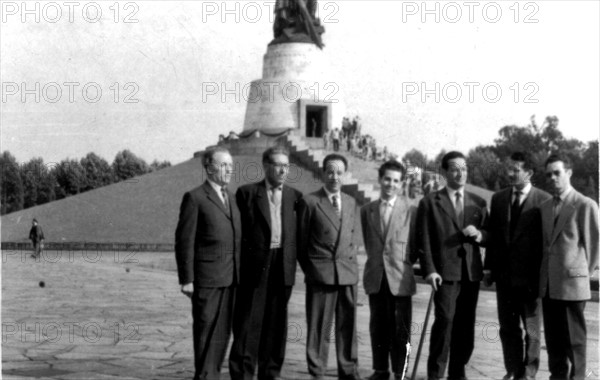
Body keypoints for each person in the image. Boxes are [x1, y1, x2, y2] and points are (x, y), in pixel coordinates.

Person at [229, 147, 303, 380]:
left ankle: (270, 372)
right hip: (255, 266)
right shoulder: (247, 193)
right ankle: (243, 372)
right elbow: (237, 236)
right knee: (249, 321)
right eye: (278, 165)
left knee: (276, 324)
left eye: (286, 166)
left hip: (283, 265)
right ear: (266, 165)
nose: (283, 170)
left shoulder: (294, 196)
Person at [416, 151, 487, 380]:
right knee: (445, 321)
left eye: (464, 168)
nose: (461, 173)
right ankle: (435, 373)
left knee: (466, 326)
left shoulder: (478, 203)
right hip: (444, 274)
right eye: (455, 169)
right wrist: (429, 270)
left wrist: (480, 235)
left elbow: (491, 234)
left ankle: (458, 371)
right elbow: (423, 239)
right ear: (445, 173)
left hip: (470, 273)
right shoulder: (430, 202)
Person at [174, 147, 242, 380]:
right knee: (205, 330)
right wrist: (187, 279)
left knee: (222, 333)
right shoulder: (195, 198)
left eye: (230, 165)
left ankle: (212, 373)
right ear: (209, 167)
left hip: (231, 278)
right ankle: (204, 376)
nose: (228, 169)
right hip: (207, 280)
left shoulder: (232, 198)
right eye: (223, 165)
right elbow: (185, 241)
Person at [483, 152, 551, 380]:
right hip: (504, 278)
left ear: (529, 173)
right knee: (508, 328)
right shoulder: (499, 198)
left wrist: (541, 279)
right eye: (508, 168)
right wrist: (489, 269)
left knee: (532, 331)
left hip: (530, 280)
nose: (509, 173)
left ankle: (529, 373)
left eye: (515, 169)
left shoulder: (544, 200)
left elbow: (546, 244)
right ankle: (512, 370)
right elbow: (493, 237)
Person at [297, 153, 362, 380]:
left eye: (339, 172)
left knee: (348, 327)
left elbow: (353, 238)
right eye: (330, 172)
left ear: (345, 175)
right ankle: (317, 371)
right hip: (321, 275)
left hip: (347, 275)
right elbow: (301, 244)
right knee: (318, 328)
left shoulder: (352, 202)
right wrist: (314, 270)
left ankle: (348, 370)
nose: (335, 177)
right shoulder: (310, 201)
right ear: (322, 173)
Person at [538, 153, 598, 380]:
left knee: (575, 343)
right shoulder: (544, 207)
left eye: (557, 173)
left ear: (569, 173)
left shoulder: (584, 205)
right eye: (548, 174)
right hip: (550, 287)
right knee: (554, 344)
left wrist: (582, 274)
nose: (552, 178)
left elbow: (596, 246)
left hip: (573, 287)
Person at [360, 161, 418, 380]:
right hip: (376, 276)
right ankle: (380, 369)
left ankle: (400, 372)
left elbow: (414, 243)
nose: (390, 184)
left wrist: (402, 262)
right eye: (387, 179)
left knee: (400, 330)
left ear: (401, 184)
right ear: (379, 179)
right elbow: (369, 241)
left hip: (400, 277)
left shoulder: (411, 210)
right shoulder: (368, 210)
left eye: (395, 180)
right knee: (378, 326)